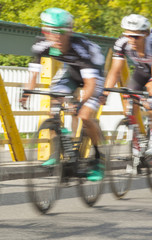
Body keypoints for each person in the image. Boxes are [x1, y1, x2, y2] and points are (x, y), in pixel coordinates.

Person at [20, 8, 106, 181]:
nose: (56, 37)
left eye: (61, 32)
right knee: (54, 105)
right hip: (71, 73)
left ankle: (98, 158)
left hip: (93, 76)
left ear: (69, 32)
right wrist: (26, 93)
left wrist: (80, 103)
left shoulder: (81, 49)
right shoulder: (42, 45)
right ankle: (55, 152)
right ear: (45, 31)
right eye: (50, 32)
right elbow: (33, 74)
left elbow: (90, 84)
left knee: (84, 116)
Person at [103, 14, 152, 153]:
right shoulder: (122, 43)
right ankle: (136, 144)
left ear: (146, 34)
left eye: (136, 37)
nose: (132, 40)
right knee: (129, 105)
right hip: (142, 70)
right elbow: (115, 70)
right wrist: (105, 92)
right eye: (128, 35)